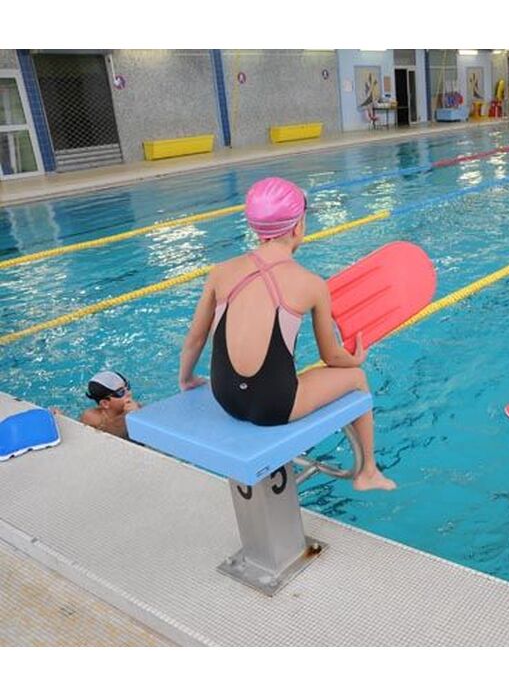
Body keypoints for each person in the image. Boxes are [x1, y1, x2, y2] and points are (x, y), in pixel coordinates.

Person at [178, 176, 396, 491]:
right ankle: (369, 472)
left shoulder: (220, 271)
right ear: (298, 227)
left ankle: (369, 472)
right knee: (358, 379)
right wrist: (354, 359)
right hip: (273, 407)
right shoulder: (311, 284)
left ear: (257, 229)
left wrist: (186, 380)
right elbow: (330, 356)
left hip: (224, 396)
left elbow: (195, 340)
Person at [80, 370, 140, 439]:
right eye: (120, 392)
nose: (129, 393)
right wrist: (126, 415)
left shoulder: (134, 407)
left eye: (128, 387)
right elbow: (109, 436)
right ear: (105, 403)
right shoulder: (91, 416)